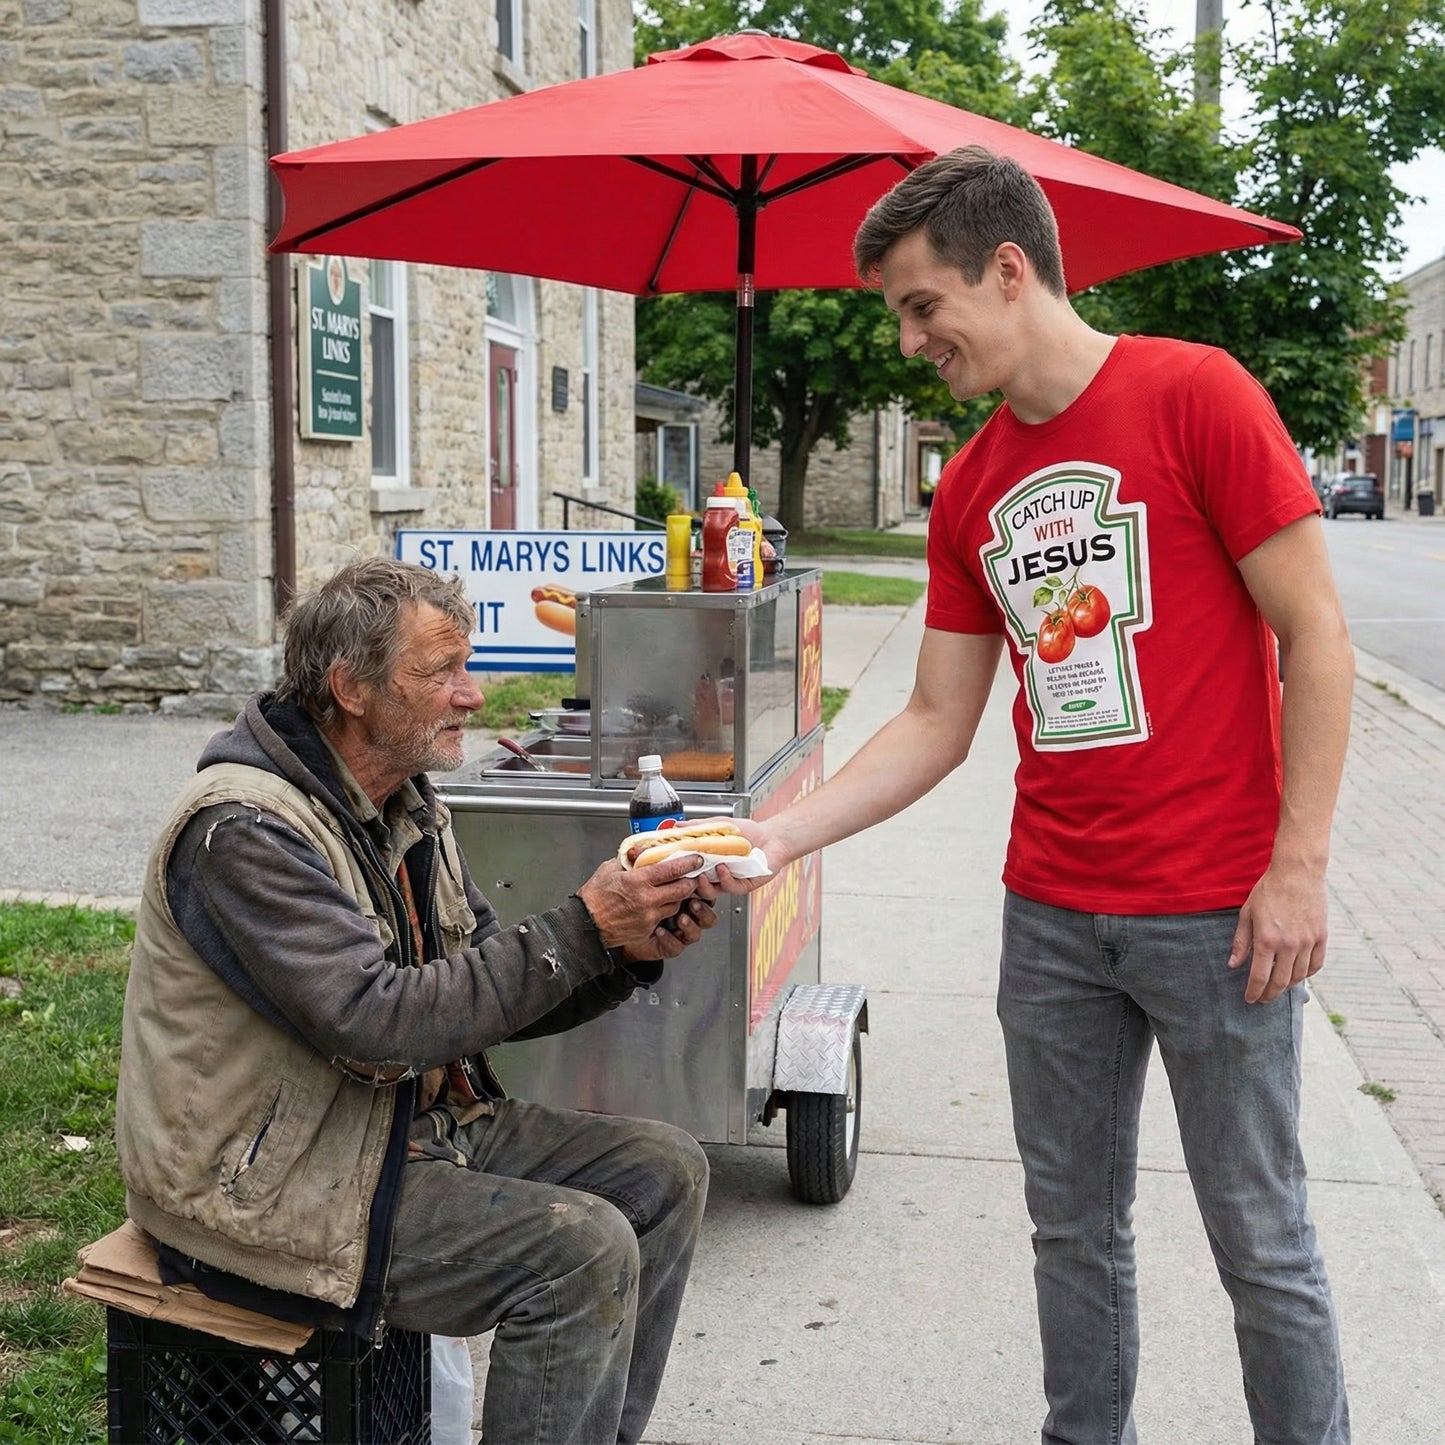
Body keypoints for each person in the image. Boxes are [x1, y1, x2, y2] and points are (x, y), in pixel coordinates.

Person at [735, 147, 1355, 1443]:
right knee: (1071, 1231)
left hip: (1219, 916)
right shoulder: (968, 487)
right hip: (1053, 922)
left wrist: (1297, 866)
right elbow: (934, 719)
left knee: (1259, 1236)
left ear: (1008, 270)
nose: (909, 341)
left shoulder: (1196, 396)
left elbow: (1315, 636)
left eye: (921, 305)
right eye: (899, 314)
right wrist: (778, 834)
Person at [115, 556, 731, 1445]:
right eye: (442, 671)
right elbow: (374, 1020)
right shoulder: (244, 829)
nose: (472, 695)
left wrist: (621, 951)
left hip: (402, 1127)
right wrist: (584, 926)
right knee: (578, 1248)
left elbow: (480, 987)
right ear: (350, 688)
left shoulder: (406, 801)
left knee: (665, 1169)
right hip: (266, 1187)